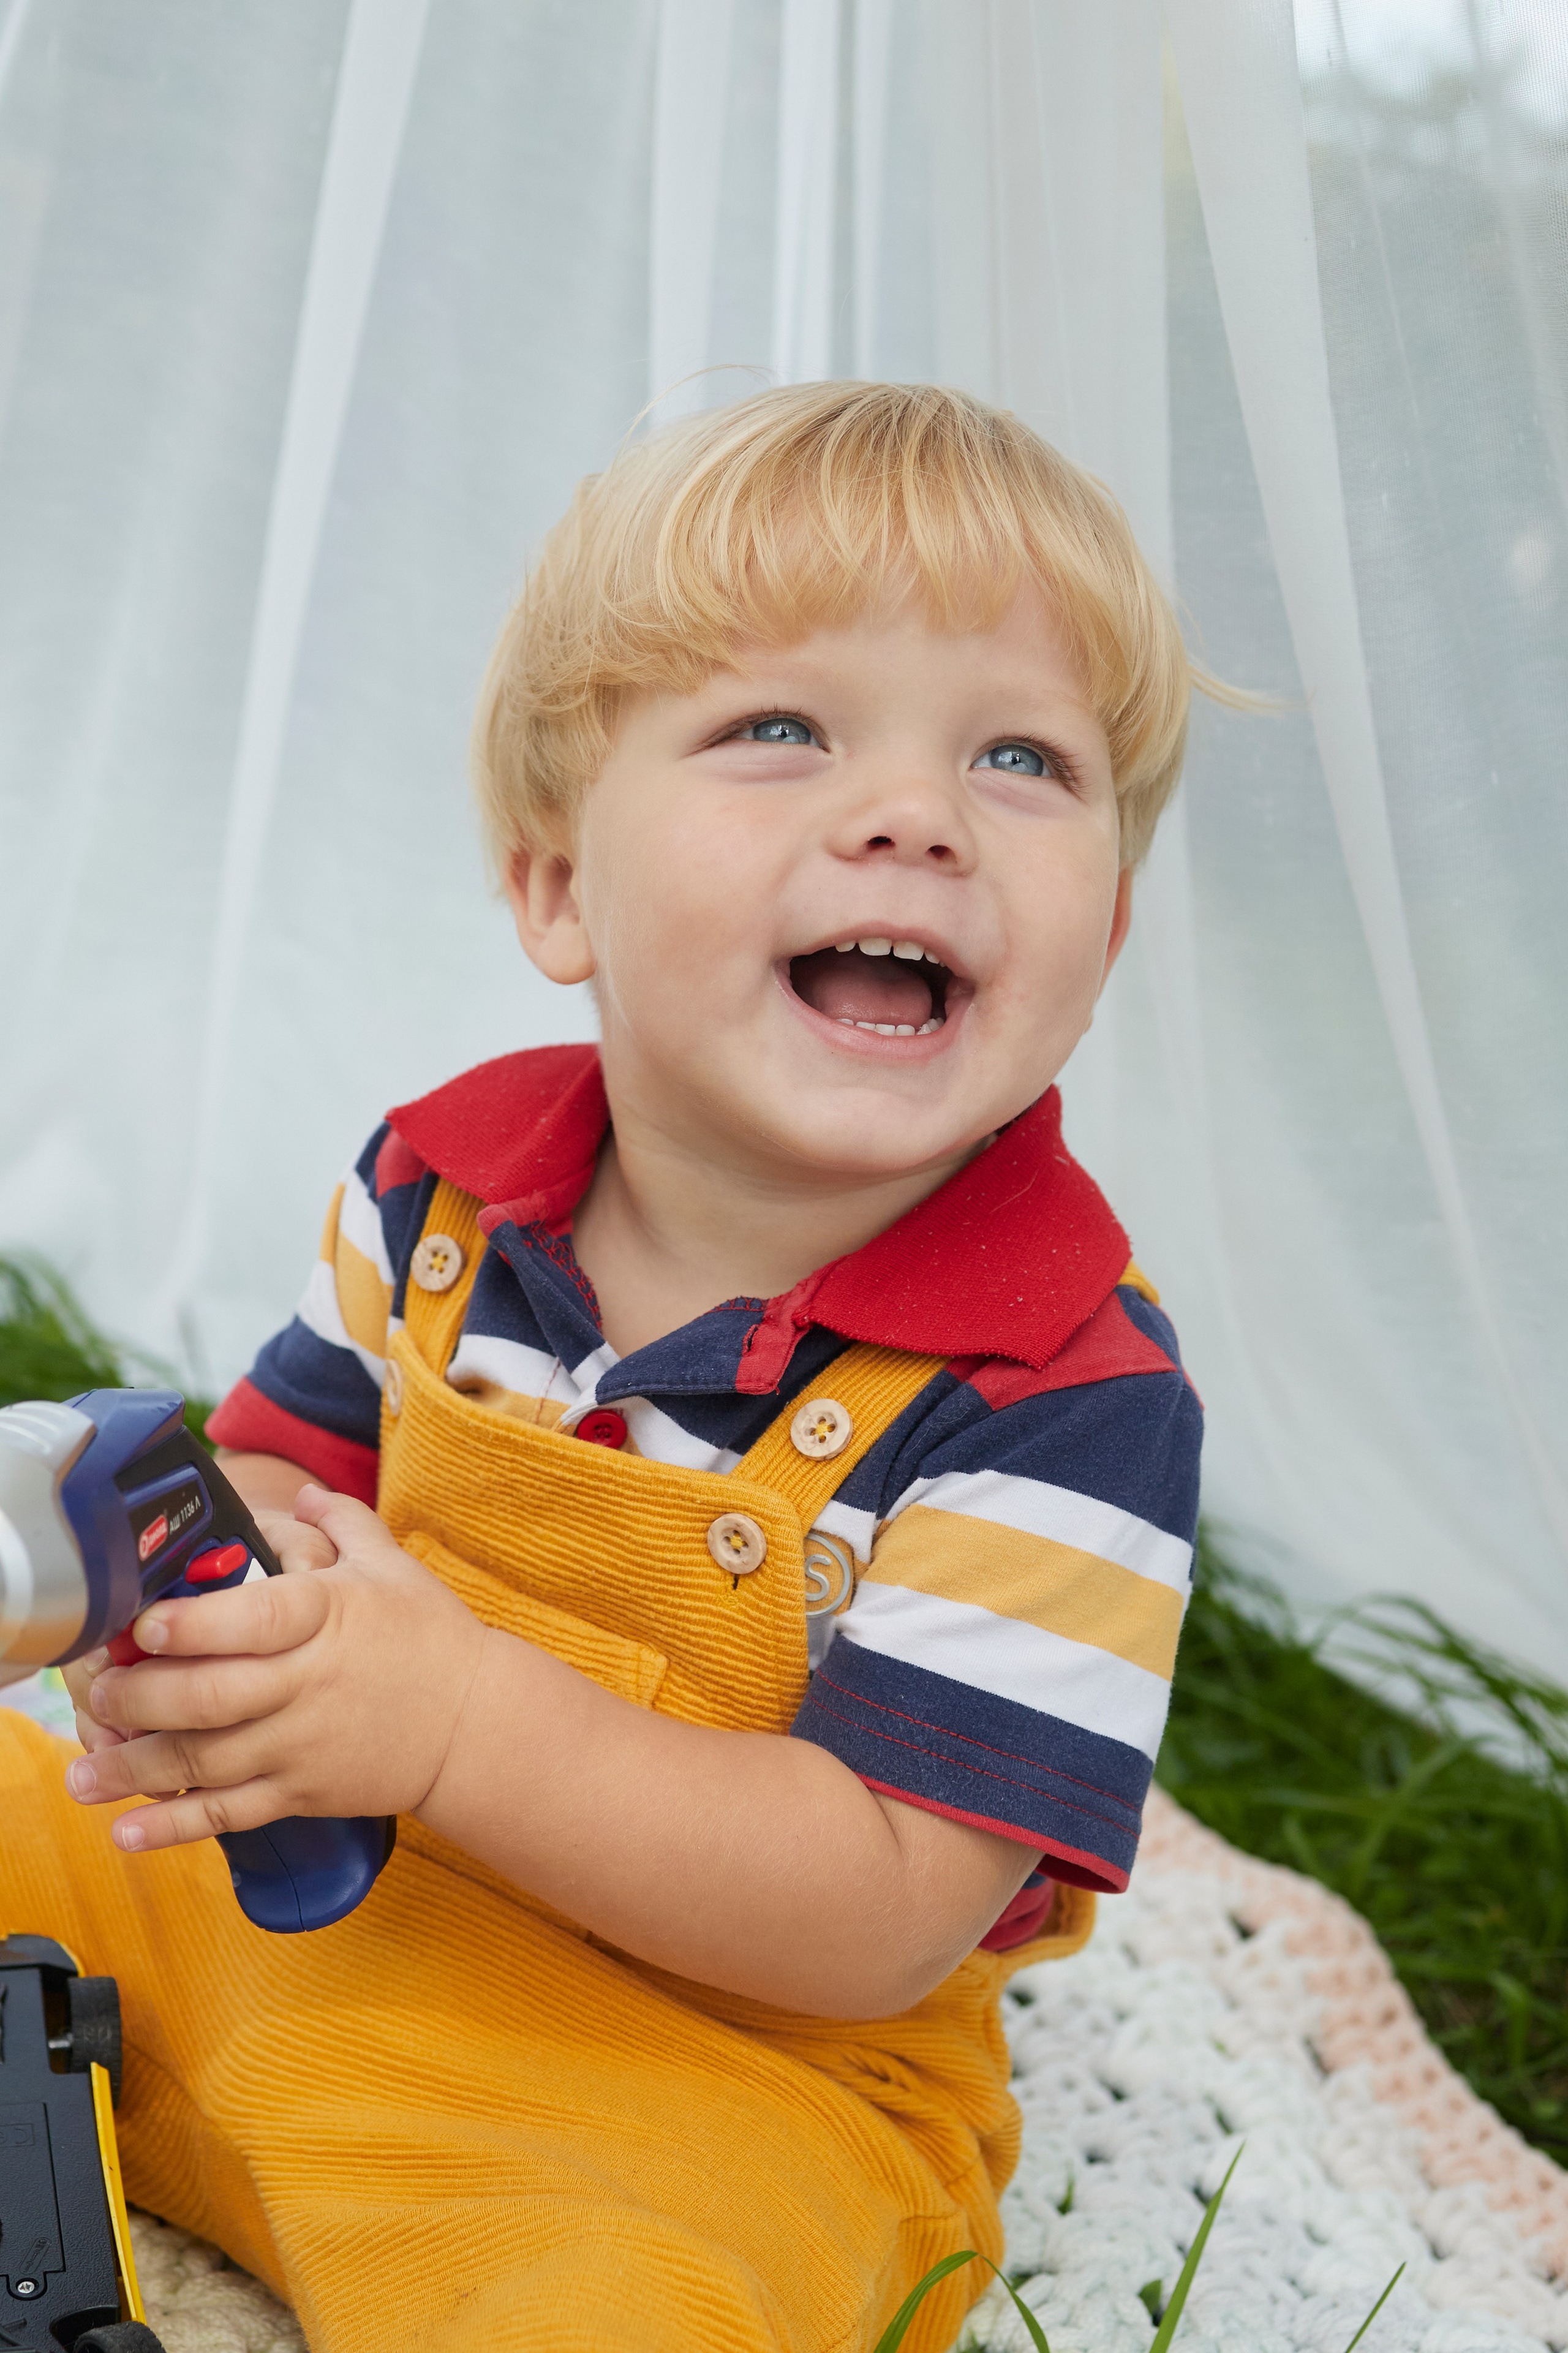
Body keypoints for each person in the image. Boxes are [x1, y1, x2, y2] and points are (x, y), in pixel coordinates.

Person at [9, 381, 1203, 2352]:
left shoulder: (1067, 1392)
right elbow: (280, 1482)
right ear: (559, 883)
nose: (915, 811)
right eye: (782, 731)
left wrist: (456, 1722)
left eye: (1022, 759)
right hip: (293, 1906)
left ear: (1109, 931)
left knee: (633, 2304)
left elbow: (878, 1899)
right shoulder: (438, 1185)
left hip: (703, 2084)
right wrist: (204, 1620)